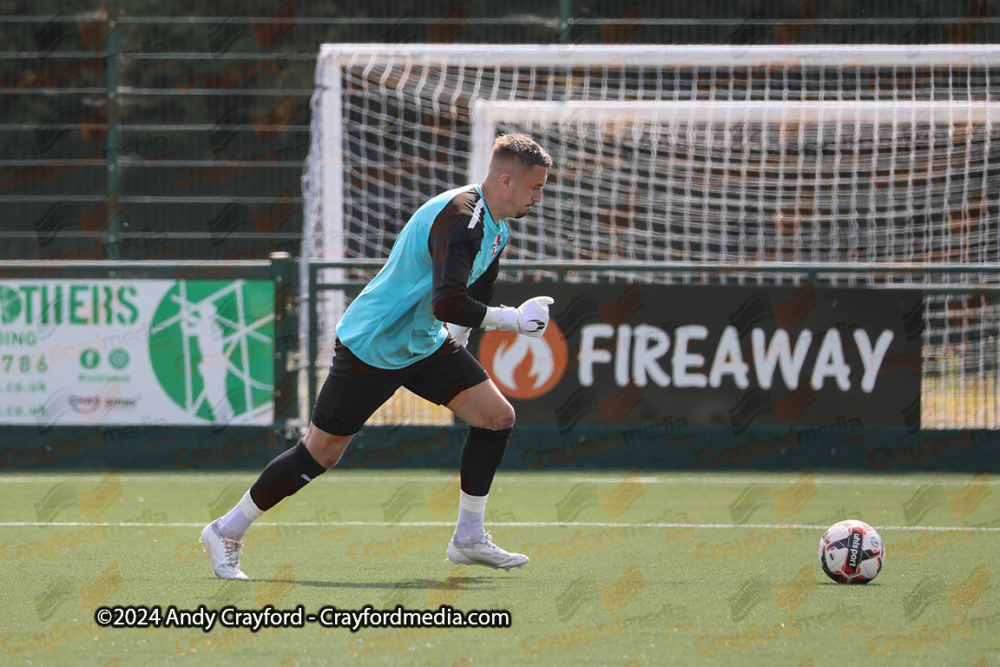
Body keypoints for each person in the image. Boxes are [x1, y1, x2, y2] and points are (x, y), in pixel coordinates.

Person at [201, 133, 555, 579]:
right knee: (320, 454)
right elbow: (448, 303)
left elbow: (470, 294)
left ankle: (468, 538)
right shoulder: (461, 219)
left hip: (424, 343)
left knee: (496, 417)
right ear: (507, 180)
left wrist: (460, 343)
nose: (540, 197)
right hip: (372, 345)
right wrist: (513, 321)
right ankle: (226, 530)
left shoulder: (497, 228)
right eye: (535, 186)